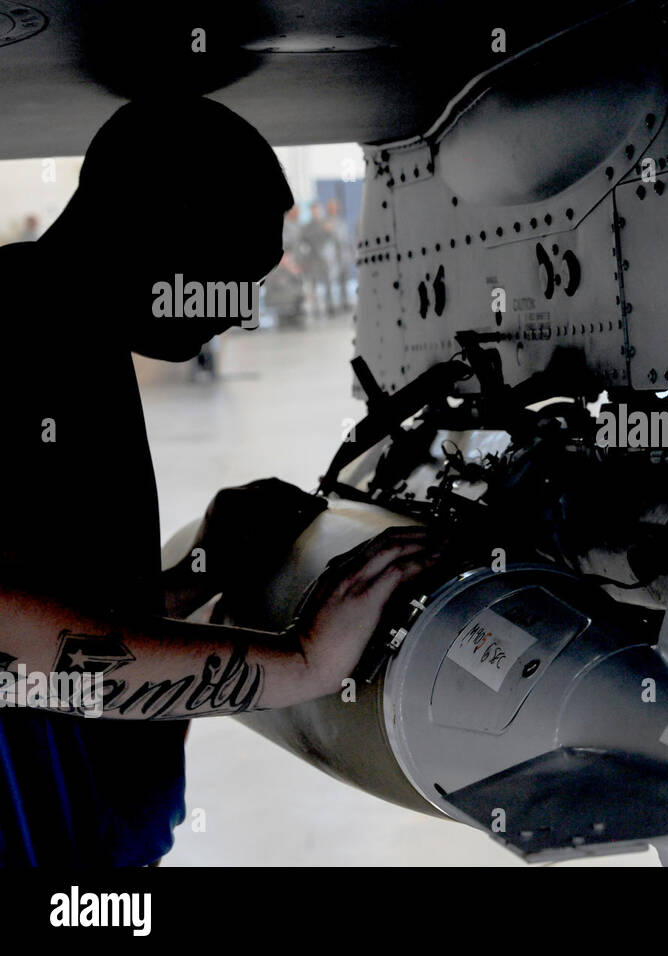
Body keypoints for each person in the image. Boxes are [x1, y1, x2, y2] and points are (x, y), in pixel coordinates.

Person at [0, 97, 439, 866]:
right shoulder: (17, 339)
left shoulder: (67, 333)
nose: (240, 313)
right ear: (154, 227)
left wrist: (195, 571)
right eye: (232, 276)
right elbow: (21, 657)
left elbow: (50, 601)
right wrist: (301, 662)